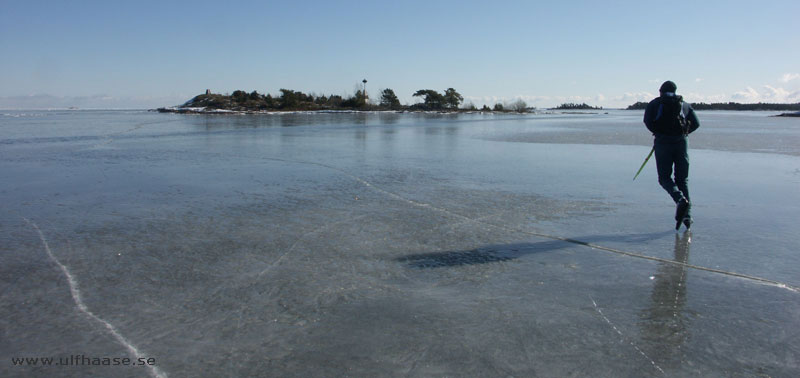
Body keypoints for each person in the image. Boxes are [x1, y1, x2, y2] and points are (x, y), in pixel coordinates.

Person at [643, 81, 700, 229]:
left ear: (660, 91)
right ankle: (687, 217)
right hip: (681, 143)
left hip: (662, 144)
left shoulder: (654, 104)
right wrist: (683, 133)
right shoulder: (684, 104)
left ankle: (679, 199)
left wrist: (660, 133)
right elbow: (696, 123)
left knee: (664, 178)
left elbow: (647, 121)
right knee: (682, 180)